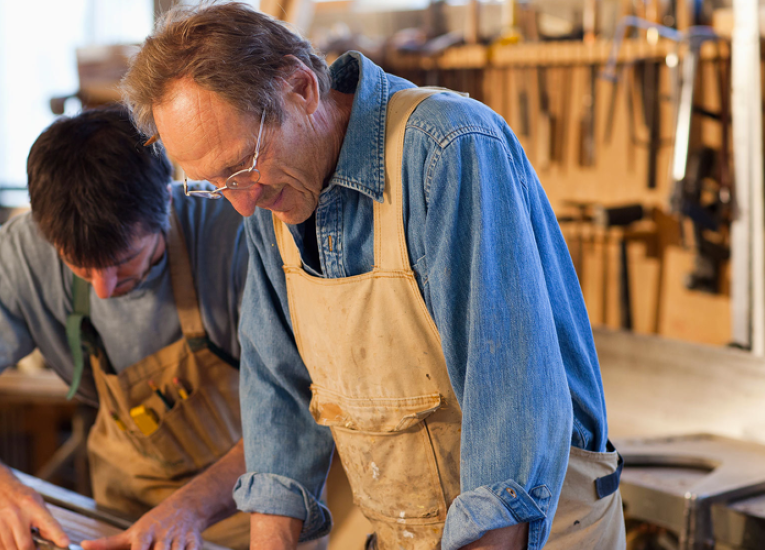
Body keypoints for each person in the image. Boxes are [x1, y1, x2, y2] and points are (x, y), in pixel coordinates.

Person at [121, 3, 626, 550]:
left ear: (301, 89)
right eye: (215, 184)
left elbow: (508, 409)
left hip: (534, 534)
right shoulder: (271, 197)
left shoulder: (448, 151)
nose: (242, 205)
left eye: (242, 166)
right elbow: (278, 398)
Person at [0, 106, 252, 550]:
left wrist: (189, 510)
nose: (102, 290)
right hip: (124, 515)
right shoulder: (19, 258)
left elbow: (299, 417)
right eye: (79, 266)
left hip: (251, 510)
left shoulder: (237, 236)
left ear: (166, 201)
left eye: (123, 263)